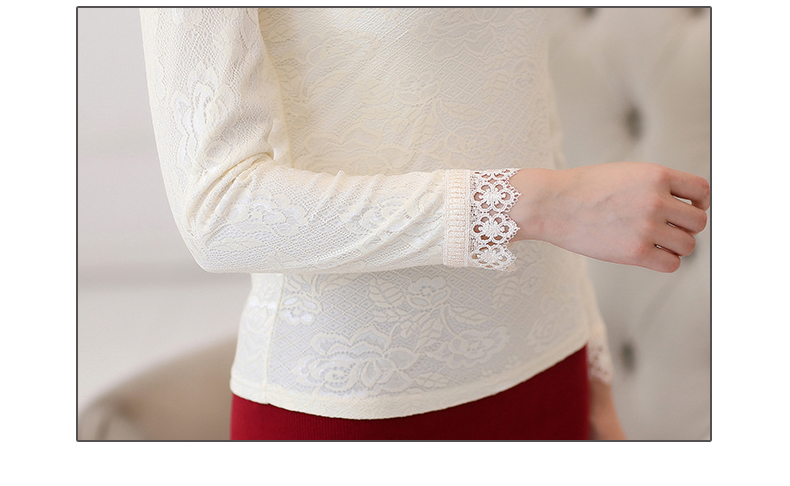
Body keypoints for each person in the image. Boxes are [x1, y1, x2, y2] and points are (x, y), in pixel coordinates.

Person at [139, 8, 709, 440]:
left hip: (550, 371)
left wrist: (592, 360)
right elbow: (220, 210)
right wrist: (539, 204)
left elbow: (528, 117)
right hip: (358, 411)